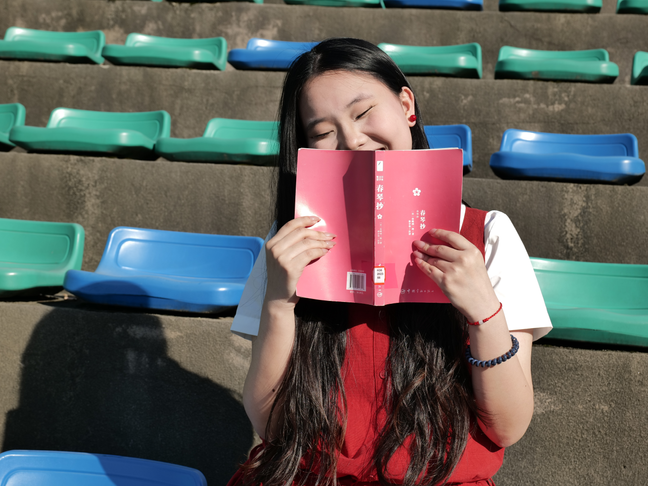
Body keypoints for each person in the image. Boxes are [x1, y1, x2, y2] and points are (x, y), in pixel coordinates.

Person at [229, 38, 552, 486]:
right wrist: (280, 303)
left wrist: (484, 311)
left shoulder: (488, 234)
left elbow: (508, 427)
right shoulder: (290, 244)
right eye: (322, 132)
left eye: (363, 113)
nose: (352, 141)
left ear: (406, 105)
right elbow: (272, 426)